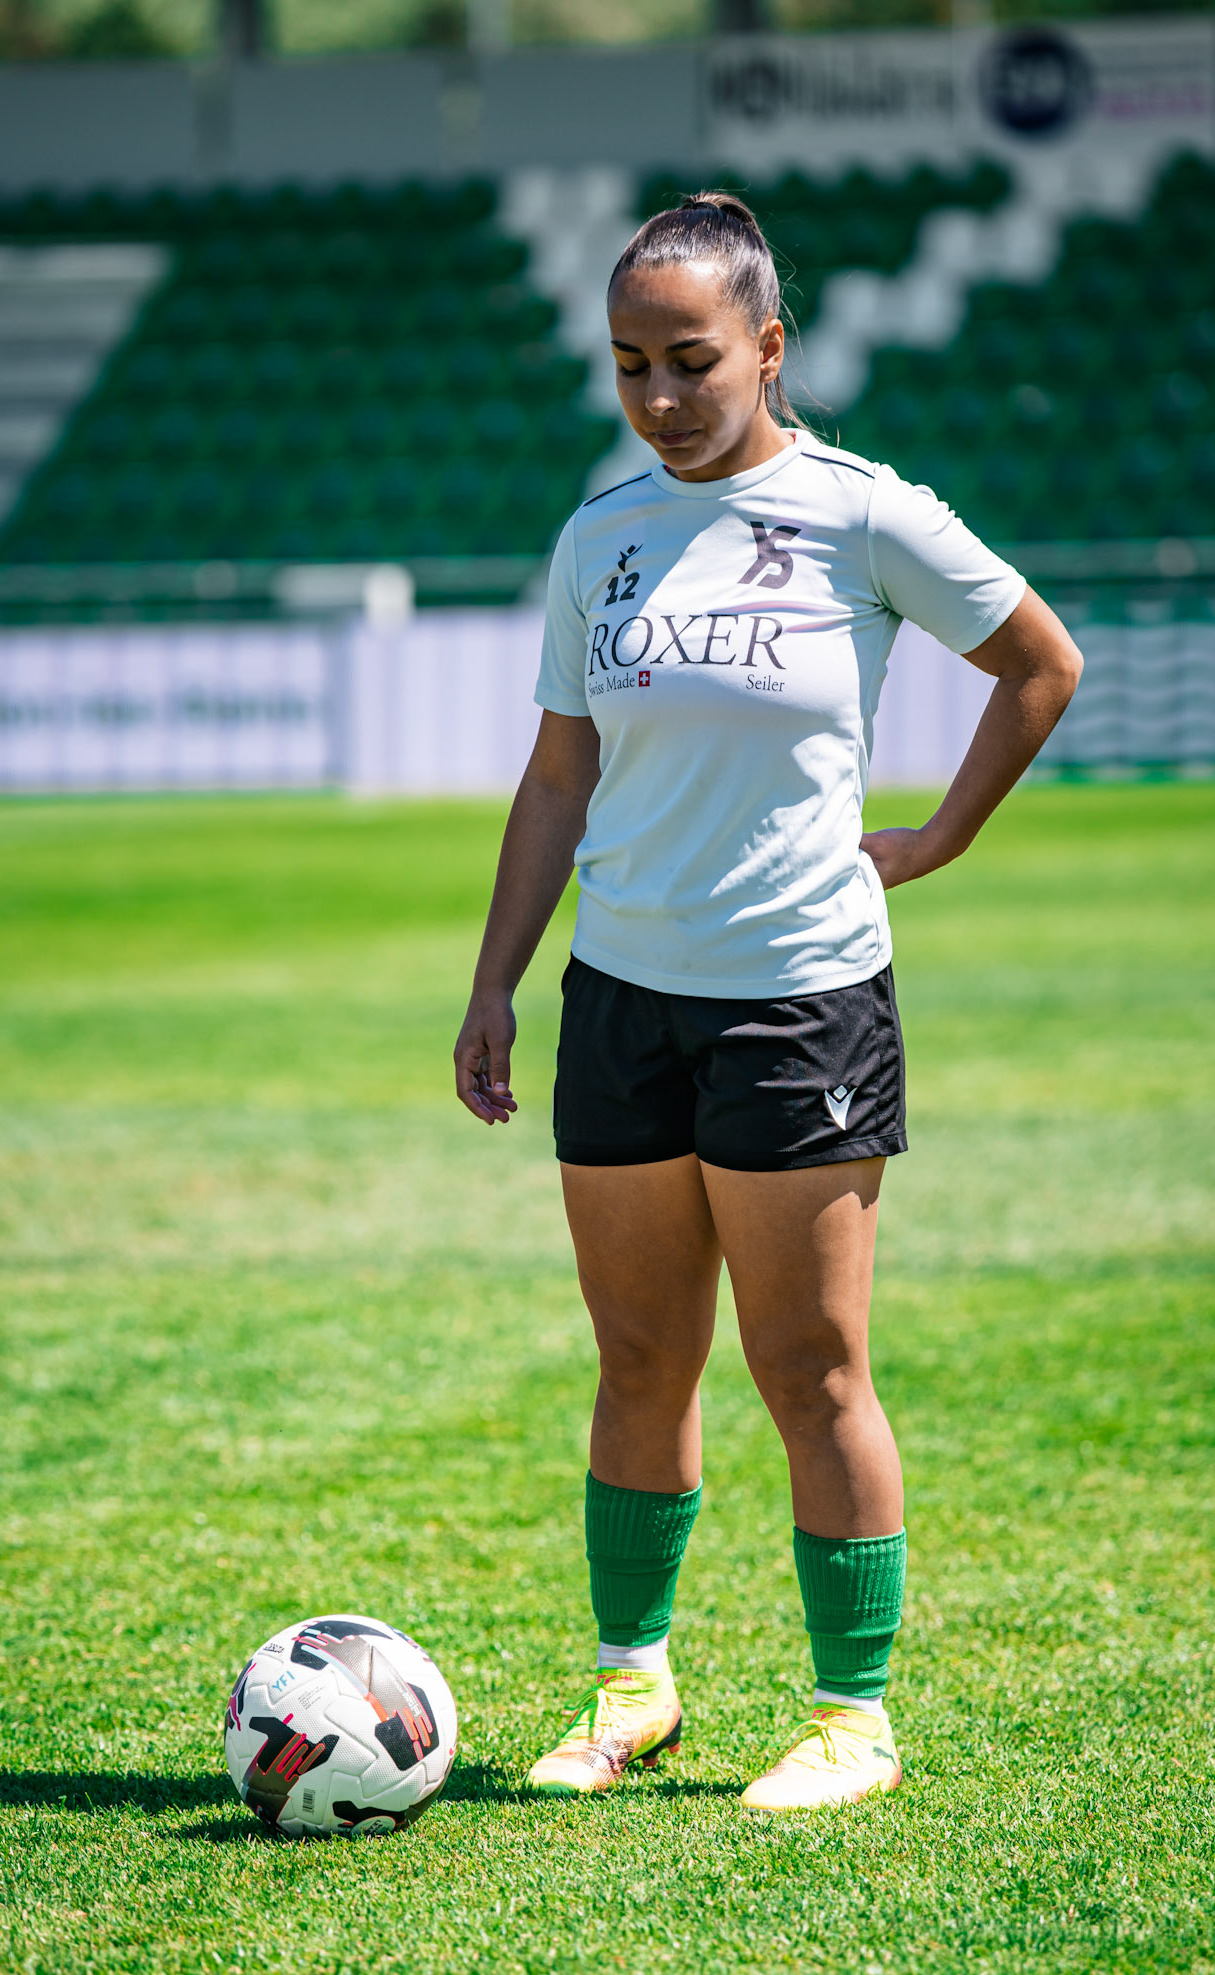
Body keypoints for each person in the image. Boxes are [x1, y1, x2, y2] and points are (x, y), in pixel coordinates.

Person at [453, 192, 1081, 1811]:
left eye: (691, 360)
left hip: (798, 999)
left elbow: (1040, 665)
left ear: (769, 346)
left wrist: (936, 838)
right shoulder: (597, 537)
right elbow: (558, 772)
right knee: (636, 1357)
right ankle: (631, 1691)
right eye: (629, 364)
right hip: (620, 995)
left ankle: (850, 1720)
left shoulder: (863, 514)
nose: (659, 396)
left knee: (808, 1369)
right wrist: (495, 981)